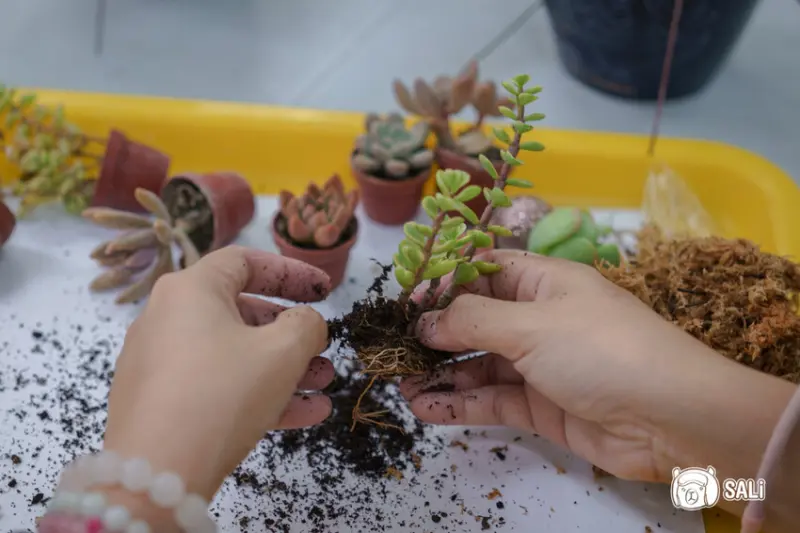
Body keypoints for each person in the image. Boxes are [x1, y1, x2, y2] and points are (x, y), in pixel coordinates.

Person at [38, 246, 798, 533]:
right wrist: (677, 444)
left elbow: (760, 485)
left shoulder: (708, 471)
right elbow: (763, 486)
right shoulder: (727, 476)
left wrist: (150, 462)